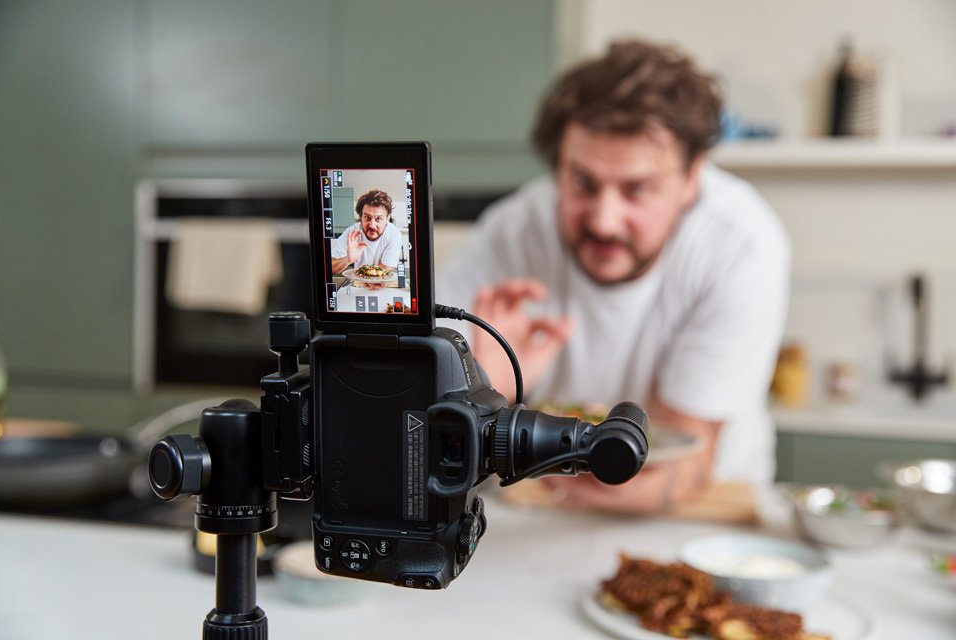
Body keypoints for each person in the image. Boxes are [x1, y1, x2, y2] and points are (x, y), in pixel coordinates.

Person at [436, 39, 791, 514]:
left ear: (691, 180)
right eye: (582, 182)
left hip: (699, 506)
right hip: (540, 499)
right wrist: (487, 386)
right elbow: (423, 410)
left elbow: (680, 456)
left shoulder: (740, 245)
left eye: (637, 189)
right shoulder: (512, 231)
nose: (604, 220)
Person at [331, 189, 401, 275]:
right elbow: (330, 268)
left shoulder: (393, 234)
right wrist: (348, 260)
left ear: (387, 218)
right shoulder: (352, 233)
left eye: (378, 219)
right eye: (367, 217)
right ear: (360, 217)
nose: (372, 225)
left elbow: (385, 271)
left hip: (381, 285)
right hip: (357, 283)